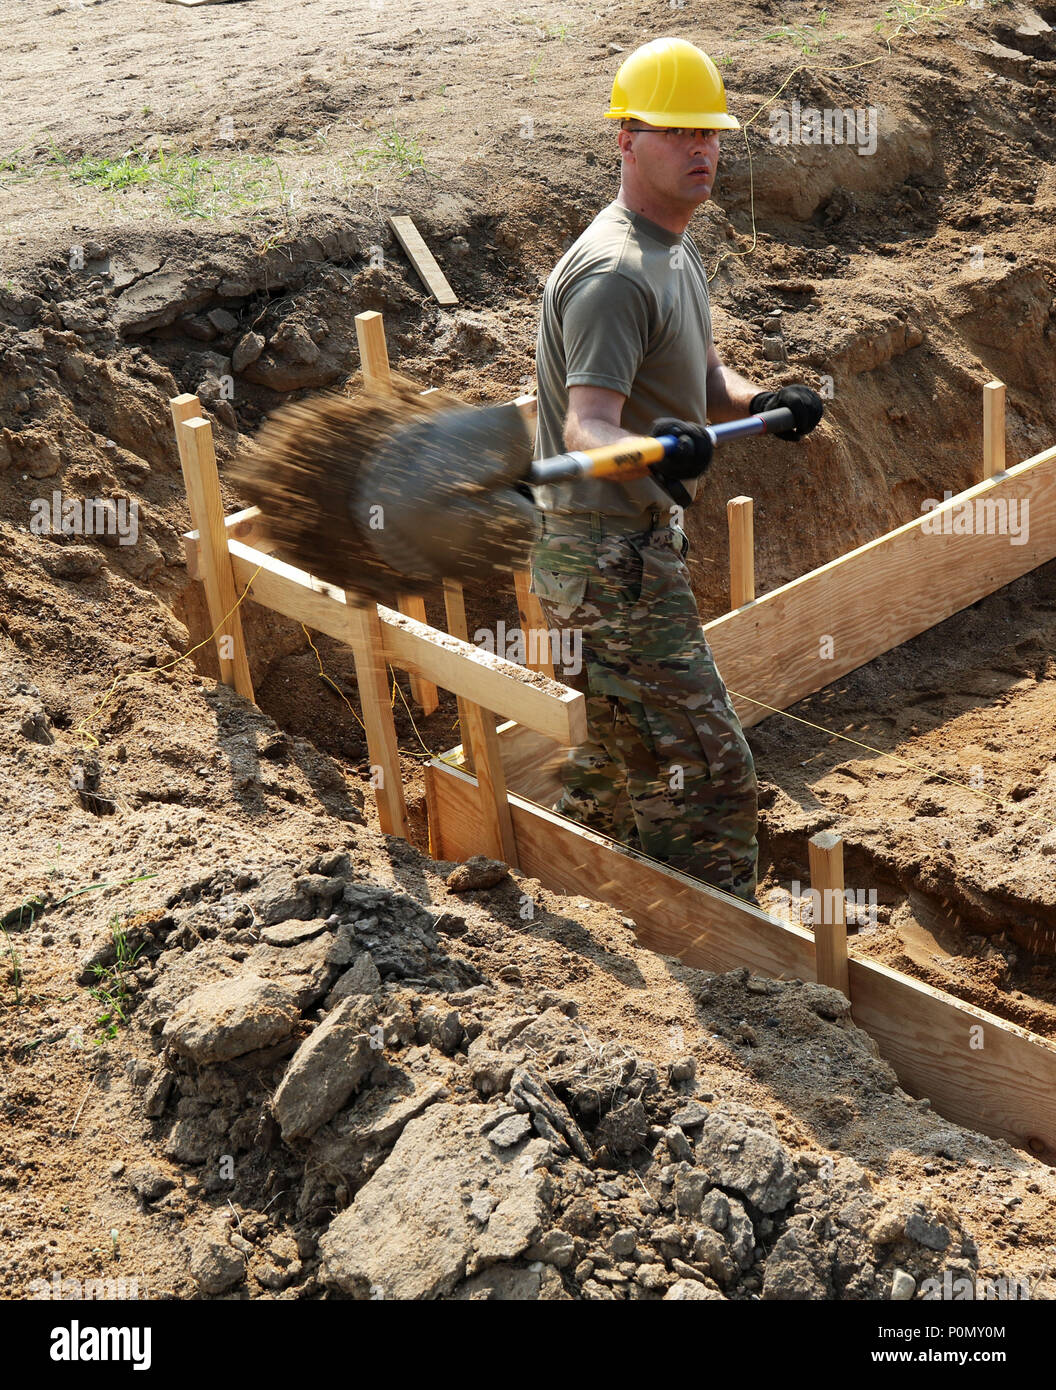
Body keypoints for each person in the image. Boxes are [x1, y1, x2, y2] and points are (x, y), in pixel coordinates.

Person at [529, 36, 824, 903]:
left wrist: (761, 398)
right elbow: (587, 432)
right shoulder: (616, 273)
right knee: (709, 767)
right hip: (604, 558)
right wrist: (659, 446)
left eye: (711, 134)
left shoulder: (673, 246)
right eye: (679, 134)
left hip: (633, 546)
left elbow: (699, 378)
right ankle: (727, 958)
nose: (703, 150)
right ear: (626, 138)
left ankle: (613, 898)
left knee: (632, 751)